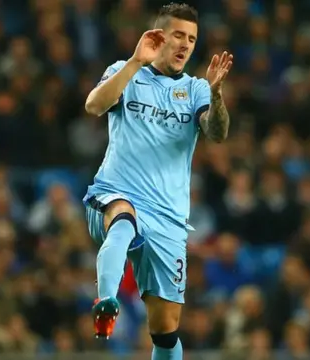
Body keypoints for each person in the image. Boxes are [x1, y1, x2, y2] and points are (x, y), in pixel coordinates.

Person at [83, 3, 232, 360]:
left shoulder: (196, 89)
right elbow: (94, 105)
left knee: (165, 332)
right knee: (123, 219)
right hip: (117, 191)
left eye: (192, 39)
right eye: (178, 35)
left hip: (168, 216)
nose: (185, 44)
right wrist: (136, 61)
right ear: (158, 36)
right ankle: (106, 300)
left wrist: (215, 93)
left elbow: (216, 133)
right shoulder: (125, 70)